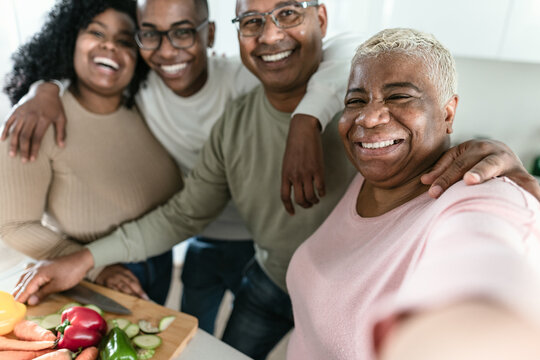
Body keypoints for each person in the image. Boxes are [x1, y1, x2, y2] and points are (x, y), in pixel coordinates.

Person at [13, 2, 540, 359]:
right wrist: (45, 86)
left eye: (287, 12)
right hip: (274, 276)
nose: (269, 35)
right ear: (236, 34)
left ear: (320, 20)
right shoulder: (233, 116)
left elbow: (484, 247)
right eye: (252, 22)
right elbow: (184, 212)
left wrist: (479, 319)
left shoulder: (454, 182)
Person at [2, 0, 360, 334]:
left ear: (210, 34)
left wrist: (307, 117)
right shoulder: (140, 91)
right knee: (190, 332)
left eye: (184, 31)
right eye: (150, 35)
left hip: (263, 245)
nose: (168, 48)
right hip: (187, 237)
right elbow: (94, 74)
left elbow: (350, 48)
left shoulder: (251, 78)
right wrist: (44, 87)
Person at [285, 28, 540, 360]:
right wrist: (303, 122)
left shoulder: (479, 197)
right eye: (356, 100)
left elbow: (486, 276)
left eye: (399, 96)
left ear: (448, 113)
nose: (369, 117)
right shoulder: (371, 173)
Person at [0, 0, 183, 305]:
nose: (110, 46)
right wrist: (95, 266)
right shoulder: (36, 119)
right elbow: (13, 225)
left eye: (125, 40)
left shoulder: (151, 106)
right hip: (90, 275)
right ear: (69, 39)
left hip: (158, 259)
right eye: (96, 33)